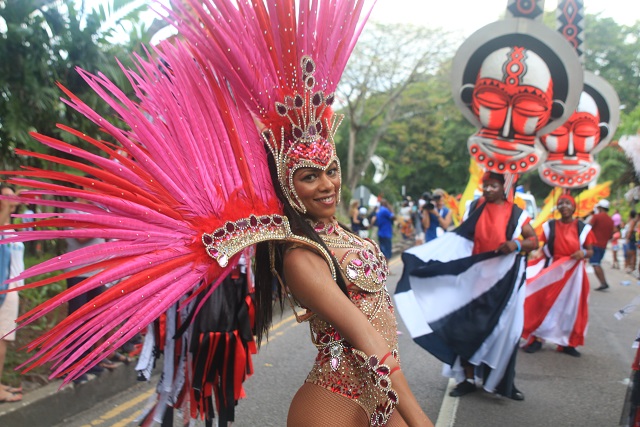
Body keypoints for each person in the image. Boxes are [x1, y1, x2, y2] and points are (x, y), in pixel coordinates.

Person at [0, 0, 433, 425]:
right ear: (286, 182)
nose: (327, 184)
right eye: (309, 176)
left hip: (380, 393)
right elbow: (367, 339)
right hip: (333, 402)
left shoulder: (343, 236)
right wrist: (419, 420)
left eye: (332, 170)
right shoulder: (301, 255)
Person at [395, 171, 537, 402]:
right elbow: (460, 239)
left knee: (505, 332)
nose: (488, 190)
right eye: (485, 186)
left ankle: (504, 382)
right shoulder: (474, 209)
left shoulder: (517, 213)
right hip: (474, 280)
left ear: (504, 188)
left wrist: (516, 243)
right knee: (466, 329)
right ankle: (467, 380)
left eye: (493, 186)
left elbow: (534, 241)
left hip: (504, 283)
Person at [522, 193, 595, 357]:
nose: (564, 206)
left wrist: (582, 253)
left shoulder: (583, 228)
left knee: (570, 308)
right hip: (552, 270)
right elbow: (541, 246)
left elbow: (591, 250)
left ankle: (567, 342)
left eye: (567, 204)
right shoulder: (550, 226)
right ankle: (537, 339)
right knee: (544, 304)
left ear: (574, 207)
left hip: (574, 275)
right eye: (561, 203)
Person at [0, 184, 24, 403]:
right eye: (5, 196)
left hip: (13, 291)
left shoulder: (11, 228)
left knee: (4, 339)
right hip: (4, 290)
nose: (10, 198)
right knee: (1, 341)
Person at [589, 199, 615, 291]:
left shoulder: (596, 217)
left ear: (600, 208)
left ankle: (603, 283)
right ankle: (603, 282)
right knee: (597, 263)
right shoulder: (610, 220)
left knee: (595, 264)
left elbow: (588, 228)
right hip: (603, 246)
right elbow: (611, 234)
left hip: (594, 244)